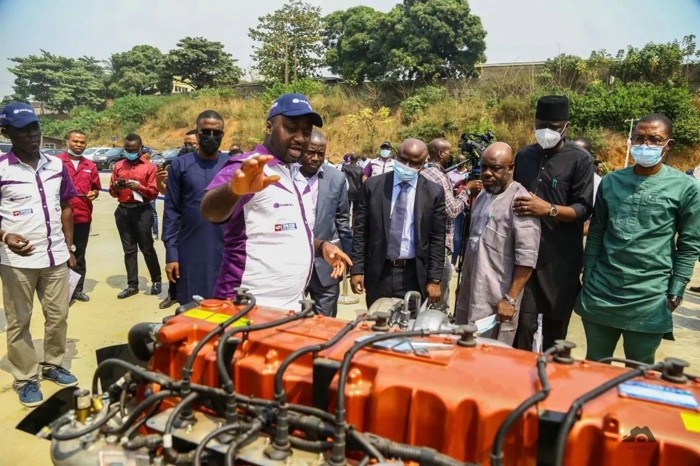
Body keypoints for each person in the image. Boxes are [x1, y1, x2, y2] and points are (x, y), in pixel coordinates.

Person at [201, 93, 351, 310]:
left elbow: (289, 234)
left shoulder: (295, 175)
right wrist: (233, 190)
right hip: (246, 307)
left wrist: (322, 247)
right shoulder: (248, 167)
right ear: (269, 127)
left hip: (291, 307)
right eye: (291, 128)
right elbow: (209, 211)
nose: (300, 138)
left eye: (306, 132)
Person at [575, 114, 700, 364]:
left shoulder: (685, 187)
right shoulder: (611, 182)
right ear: (631, 141)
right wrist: (588, 275)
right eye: (639, 138)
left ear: (668, 145)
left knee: (641, 369)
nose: (645, 145)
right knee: (595, 365)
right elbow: (597, 233)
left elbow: (688, 246)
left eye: (654, 140)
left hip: (650, 295)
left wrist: (676, 292)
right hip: (603, 291)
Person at [0, 102, 79, 407]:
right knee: (19, 321)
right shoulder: (3, 169)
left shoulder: (56, 165)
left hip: (55, 257)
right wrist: (6, 235)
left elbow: (68, 207)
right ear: (8, 133)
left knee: (58, 316)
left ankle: (53, 364)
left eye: (35, 127)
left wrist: (69, 248)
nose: (32, 135)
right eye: (23, 130)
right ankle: (25, 377)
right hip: (16, 262)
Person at [512, 95, 594, 351]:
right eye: (541, 125)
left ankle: (552, 383)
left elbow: (583, 208)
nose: (546, 131)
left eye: (554, 127)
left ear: (566, 126)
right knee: (523, 328)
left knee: (555, 333)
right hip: (526, 258)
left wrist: (549, 209)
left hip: (560, 261)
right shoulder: (524, 155)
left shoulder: (580, 160)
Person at [455, 143, 541, 345]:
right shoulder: (483, 195)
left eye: (495, 168)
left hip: (497, 300)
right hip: (470, 291)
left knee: (490, 357)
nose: (487, 173)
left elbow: (527, 257)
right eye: (483, 167)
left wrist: (510, 299)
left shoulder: (521, 202)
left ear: (510, 167)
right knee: (463, 348)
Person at [351, 138, 446, 308]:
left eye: (414, 162)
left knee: (409, 330)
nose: (407, 165)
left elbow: (437, 238)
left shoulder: (434, 193)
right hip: (379, 272)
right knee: (377, 327)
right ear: (396, 156)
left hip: (414, 274)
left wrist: (435, 279)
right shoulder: (373, 186)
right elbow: (360, 231)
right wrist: (357, 269)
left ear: (424, 164)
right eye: (403, 159)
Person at [162, 110, 229, 307]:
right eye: (205, 132)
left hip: (226, 249)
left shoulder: (232, 165)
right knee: (193, 308)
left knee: (225, 309)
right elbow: (171, 211)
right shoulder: (180, 165)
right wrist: (171, 254)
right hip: (190, 249)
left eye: (216, 133)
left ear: (223, 135)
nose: (211, 137)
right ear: (197, 133)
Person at [293, 130, 352, 316]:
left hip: (327, 267)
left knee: (326, 325)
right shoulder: (285, 177)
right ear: (300, 150)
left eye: (321, 154)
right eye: (310, 152)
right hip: (293, 265)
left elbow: (342, 220)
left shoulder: (337, 178)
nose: (315, 158)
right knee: (291, 322)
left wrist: (349, 259)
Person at [421, 138, 479, 307]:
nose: (451, 155)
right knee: (440, 293)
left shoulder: (426, 172)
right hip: (440, 244)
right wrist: (467, 190)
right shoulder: (439, 176)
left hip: (427, 241)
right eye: (449, 152)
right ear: (440, 154)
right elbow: (452, 211)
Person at [109, 134, 162, 299]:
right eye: (128, 149)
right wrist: (116, 187)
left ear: (141, 148)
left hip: (142, 211)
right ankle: (132, 285)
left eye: (134, 149)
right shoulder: (118, 166)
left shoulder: (150, 167)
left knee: (147, 248)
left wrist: (140, 187)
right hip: (123, 211)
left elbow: (154, 192)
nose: (130, 152)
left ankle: (156, 280)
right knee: (129, 250)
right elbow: (111, 192)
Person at [156, 129, 198, 308]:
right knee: (173, 256)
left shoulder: (206, 167)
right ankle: (173, 294)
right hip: (175, 221)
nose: (187, 146)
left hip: (194, 222)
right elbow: (166, 193)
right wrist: (160, 181)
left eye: (191, 144)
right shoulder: (175, 165)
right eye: (185, 143)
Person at [59, 129, 101, 303]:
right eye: (75, 141)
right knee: (60, 255)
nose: (78, 145)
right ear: (67, 141)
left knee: (80, 254)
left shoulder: (90, 166)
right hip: (59, 217)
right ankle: (60, 292)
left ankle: (77, 289)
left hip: (83, 217)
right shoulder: (56, 162)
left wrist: (94, 193)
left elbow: (96, 188)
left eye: (82, 142)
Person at [141, 147, 159, 241]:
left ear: (149, 154)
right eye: (141, 152)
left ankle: (155, 233)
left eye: (144, 153)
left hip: (151, 193)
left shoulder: (153, 166)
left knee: (153, 213)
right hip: (142, 193)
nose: (142, 154)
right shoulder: (140, 165)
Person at [341, 153, 363, 222]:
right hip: (357, 191)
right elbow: (361, 181)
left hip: (347, 191)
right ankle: (353, 226)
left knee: (346, 209)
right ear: (357, 160)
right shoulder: (361, 169)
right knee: (355, 210)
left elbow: (342, 179)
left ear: (350, 159)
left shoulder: (344, 168)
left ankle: (346, 225)